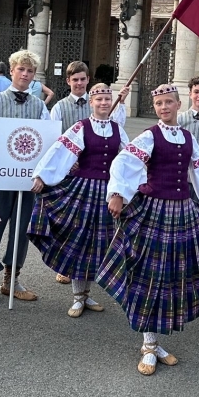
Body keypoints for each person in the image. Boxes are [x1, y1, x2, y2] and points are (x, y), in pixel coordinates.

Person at [100, 83, 199, 375]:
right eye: (159, 104)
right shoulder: (150, 136)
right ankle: (148, 344)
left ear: (178, 104)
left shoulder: (188, 138)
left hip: (183, 211)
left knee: (173, 275)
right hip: (155, 211)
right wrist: (118, 193)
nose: (164, 108)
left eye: (169, 103)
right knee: (151, 275)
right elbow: (124, 162)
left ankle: (158, 341)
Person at [28, 83, 130, 317]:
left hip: (108, 192)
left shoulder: (118, 130)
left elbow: (129, 159)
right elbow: (60, 152)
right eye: (99, 99)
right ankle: (77, 297)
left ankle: (87, 294)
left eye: (107, 99)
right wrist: (43, 175)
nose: (104, 103)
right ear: (91, 103)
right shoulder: (81, 127)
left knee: (99, 243)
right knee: (79, 238)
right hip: (84, 190)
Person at [0, 49, 52, 305]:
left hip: (27, 178)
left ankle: (12, 277)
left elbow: (48, 141)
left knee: (21, 227)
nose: (25, 74)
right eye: (21, 69)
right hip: (1, 174)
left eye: (30, 71)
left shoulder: (39, 106)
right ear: (12, 71)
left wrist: (40, 171)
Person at [49, 61, 128, 283]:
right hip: (73, 176)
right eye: (75, 79)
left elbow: (122, 147)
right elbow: (56, 142)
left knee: (98, 233)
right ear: (69, 81)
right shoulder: (62, 109)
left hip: (101, 180)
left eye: (83, 79)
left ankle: (89, 282)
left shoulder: (107, 116)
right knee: (74, 230)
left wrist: (119, 102)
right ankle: (70, 276)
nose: (79, 83)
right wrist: (55, 169)